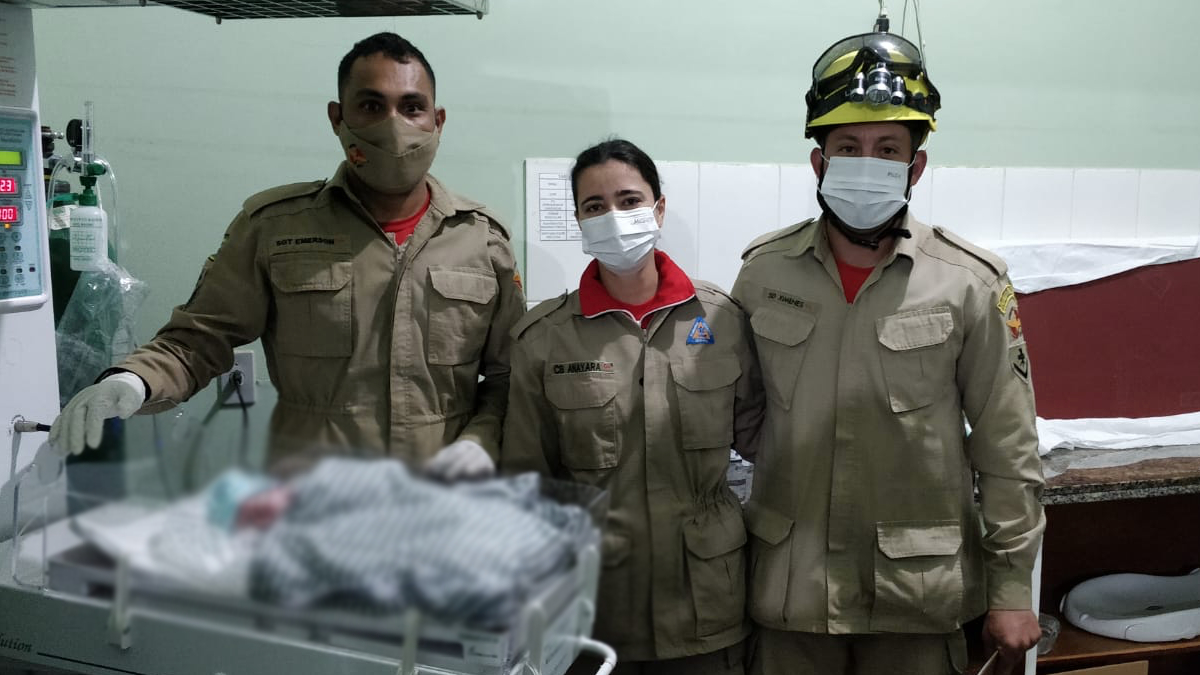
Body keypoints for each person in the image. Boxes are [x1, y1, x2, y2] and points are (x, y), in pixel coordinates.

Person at [49, 32, 525, 480]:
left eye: (412, 107)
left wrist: (481, 443)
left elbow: (510, 376)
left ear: (436, 120)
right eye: (372, 106)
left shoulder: (481, 240)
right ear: (338, 118)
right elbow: (199, 340)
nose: (394, 125)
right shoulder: (277, 227)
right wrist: (133, 380)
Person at [732, 19, 1045, 675]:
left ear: (916, 164)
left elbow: (1006, 444)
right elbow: (745, 411)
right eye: (847, 146)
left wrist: (1012, 587)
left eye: (886, 147)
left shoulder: (968, 281)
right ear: (819, 162)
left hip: (916, 600)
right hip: (792, 591)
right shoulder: (765, 273)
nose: (866, 163)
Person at [501, 139, 764, 675]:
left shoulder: (723, 321)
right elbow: (526, 488)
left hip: (708, 604)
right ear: (578, 219)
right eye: (594, 207)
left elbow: (768, 440)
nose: (614, 218)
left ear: (658, 208)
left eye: (628, 200)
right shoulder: (544, 338)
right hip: (594, 616)